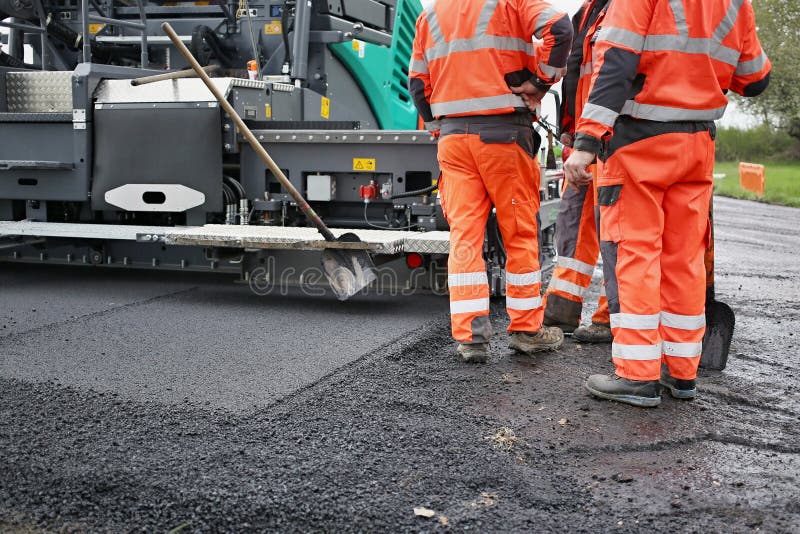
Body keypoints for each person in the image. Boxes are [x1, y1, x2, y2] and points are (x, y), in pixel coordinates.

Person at [563, 0, 771, 406]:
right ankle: (681, 373)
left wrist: (586, 141)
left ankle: (637, 375)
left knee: (636, 251)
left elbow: (618, 64)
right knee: (684, 258)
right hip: (697, 143)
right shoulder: (735, 3)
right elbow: (755, 79)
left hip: (640, 142)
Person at [408, 0, 573, 363]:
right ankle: (527, 330)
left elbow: (418, 85)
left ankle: (471, 338)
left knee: (464, 236)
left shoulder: (432, 13)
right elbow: (560, 28)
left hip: (453, 141)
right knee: (519, 233)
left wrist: (438, 127)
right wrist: (540, 82)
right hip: (504, 136)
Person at [541, 0, 614, 344]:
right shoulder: (585, 13)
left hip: (616, 141)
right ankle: (561, 311)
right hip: (585, 142)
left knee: (617, 236)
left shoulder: (635, 8)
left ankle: (611, 318)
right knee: (571, 228)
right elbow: (572, 74)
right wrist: (572, 135)